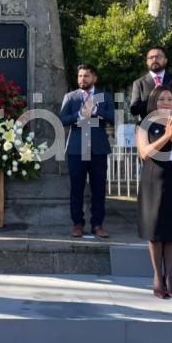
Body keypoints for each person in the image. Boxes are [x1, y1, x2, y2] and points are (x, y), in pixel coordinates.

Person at [136, 86, 172, 299]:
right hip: (153, 181)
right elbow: (144, 152)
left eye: (170, 99)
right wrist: (166, 137)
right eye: (161, 99)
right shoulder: (145, 125)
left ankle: (169, 276)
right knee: (156, 231)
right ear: (154, 102)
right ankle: (156, 276)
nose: (166, 102)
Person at [60, 64, 115, 238]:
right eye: (80, 76)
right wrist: (80, 115)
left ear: (94, 78)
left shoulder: (104, 96)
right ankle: (77, 224)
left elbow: (114, 118)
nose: (82, 79)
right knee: (76, 189)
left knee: (98, 189)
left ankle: (97, 224)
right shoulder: (70, 97)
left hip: (98, 149)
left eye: (86, 76)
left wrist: (97, 110)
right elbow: (62, 119)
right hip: (77, 149)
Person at [130, 46, 172, 122]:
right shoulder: (139, 83)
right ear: (147, 62)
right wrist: (153, 98)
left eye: (158, 56)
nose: (154, 59)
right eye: (151, 57)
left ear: (165, 60)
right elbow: (134, 110)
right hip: (148, 128)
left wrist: (171, 100)